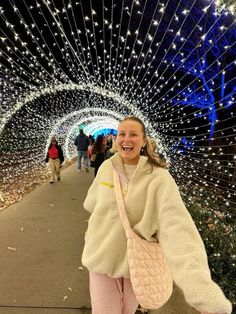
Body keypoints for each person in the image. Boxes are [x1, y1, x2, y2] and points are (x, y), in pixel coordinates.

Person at [81, 116, 232, 314]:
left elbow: (178, 230)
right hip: (100, 258)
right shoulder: (107, 168)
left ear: (144, 141)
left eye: (133, 134)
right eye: (122, 134)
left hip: (136, 265)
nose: (126, 139)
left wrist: (204, 295)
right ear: (116, 140)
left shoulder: (158, 178)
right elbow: (91, 203)